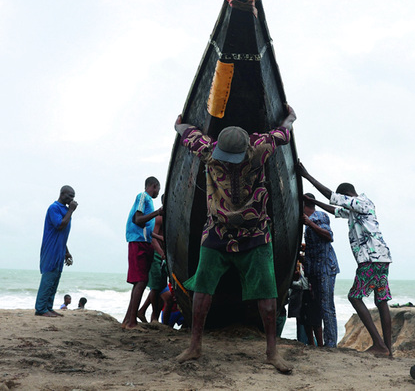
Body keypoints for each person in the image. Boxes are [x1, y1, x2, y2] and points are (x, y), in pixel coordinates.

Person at [173, 105, 297, 374]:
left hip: (255, 234)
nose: (229, 161)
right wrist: (180, 124)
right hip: (217, 232)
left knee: (267, 294)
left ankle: (272, 352)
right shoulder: (212, 150)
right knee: (202, 289)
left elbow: (283, 133)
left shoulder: (258, 148)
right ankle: (195, 346)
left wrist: (290, 117)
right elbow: (187, 134)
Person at [298, 163, 393, 358]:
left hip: (371, 259)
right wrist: (313, 202)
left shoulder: (361, 202)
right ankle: (388, 350)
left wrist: (307, 176)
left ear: (348, 195)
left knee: (354, 297)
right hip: (381, 258)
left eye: (344, 200)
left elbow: (332, 197)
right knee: (381, 300)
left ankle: (379, 345)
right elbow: (335, 210)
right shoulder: (356, 210)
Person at [122, 176, 163, 329]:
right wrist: (158, 212)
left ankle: (127, 320)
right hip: (138, 242)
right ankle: (132, 322)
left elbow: (145, 227)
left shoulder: (149, 202)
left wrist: (159, 237)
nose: (158, 192)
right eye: (158, 189)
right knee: (141, 281)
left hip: (143, 242)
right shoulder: (143, 197)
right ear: (154, 186)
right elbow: (137, 219)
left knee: (140, 281)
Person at [302, 192, 340, 348]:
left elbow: (329, 236)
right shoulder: (308, 221)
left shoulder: (319, 216)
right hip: (316, 269)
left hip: (325, 268)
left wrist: (310, 224)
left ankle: (331, 343)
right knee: (319, 306)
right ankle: (325, 342)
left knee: (327, 306)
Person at [34, 185, 77, 318]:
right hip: (51, 249)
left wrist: (66, 252)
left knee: (55, 279)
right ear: (62, 194)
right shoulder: (54, 208)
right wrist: (71, 210)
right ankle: (40, 308)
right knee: (48, 277)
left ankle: (48, 307)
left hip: (60, 249)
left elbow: (62, 235)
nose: (71, 199)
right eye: (69, 196)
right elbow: (60, 225)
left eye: (73, 197)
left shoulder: (65, 210)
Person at [138, 196, 173, 324]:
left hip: (163, 256)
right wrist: (161, 253)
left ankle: (144, 312)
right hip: (156, 255)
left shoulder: (170, 218)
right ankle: (154, 317)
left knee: (159, 287)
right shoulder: (159, 217)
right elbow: (152, 238)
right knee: (157, 288)